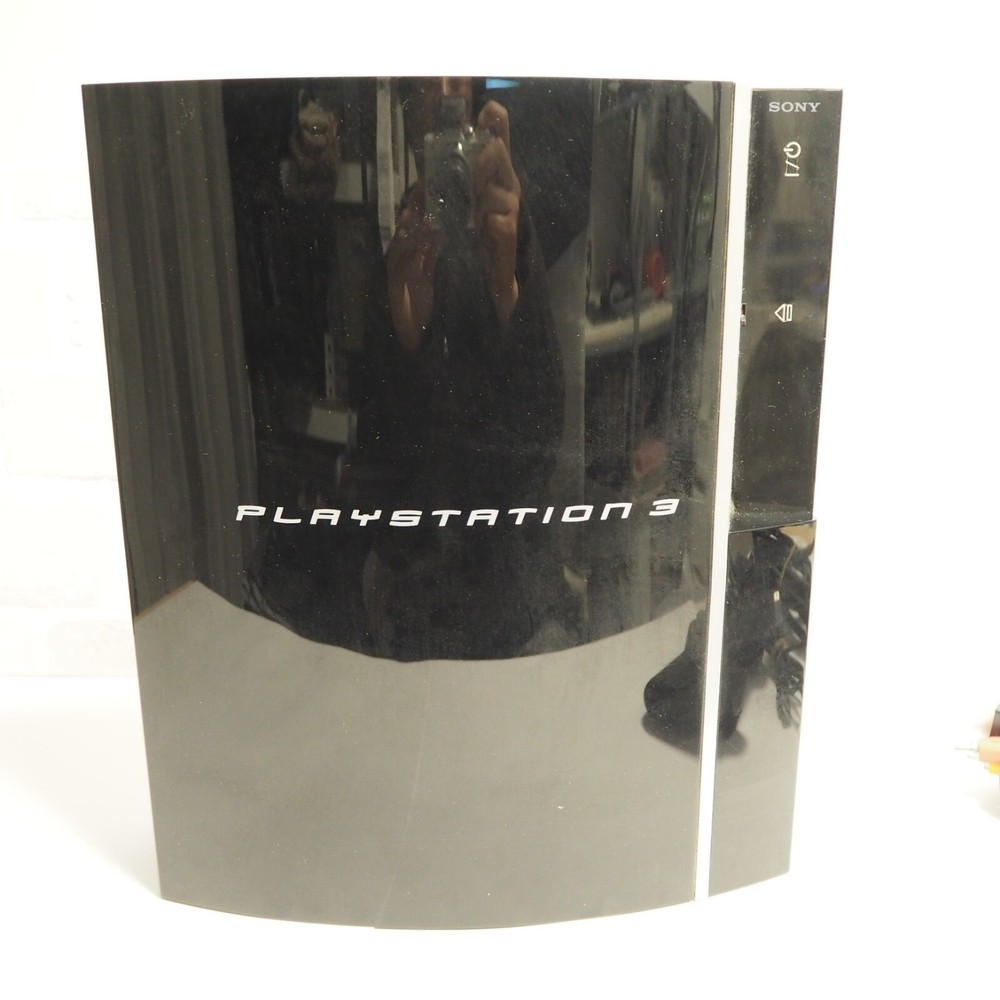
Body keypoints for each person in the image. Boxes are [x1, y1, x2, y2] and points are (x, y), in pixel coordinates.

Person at [360, 78, 567, 661]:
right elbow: (378, 476)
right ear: (410, 126)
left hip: (510, 587)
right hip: (418, 596)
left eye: (461, 89)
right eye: (432, 89)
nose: (450, 100)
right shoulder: (399, 251)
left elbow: (543, 448)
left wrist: (507, 292)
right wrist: (408, 342)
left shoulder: (509, 230)